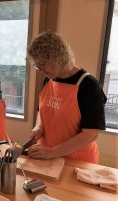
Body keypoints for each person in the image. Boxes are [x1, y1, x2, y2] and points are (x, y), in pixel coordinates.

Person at [26, 31, 107, 164]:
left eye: (42, 64)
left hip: (77, 160)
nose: (40, 70)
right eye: (37, 65)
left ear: (57, 58)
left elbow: (91, 134)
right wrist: (39, 125)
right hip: (47, 155)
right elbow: (41, 110)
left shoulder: (88, 85)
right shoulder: (49, 79)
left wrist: (52, 152)